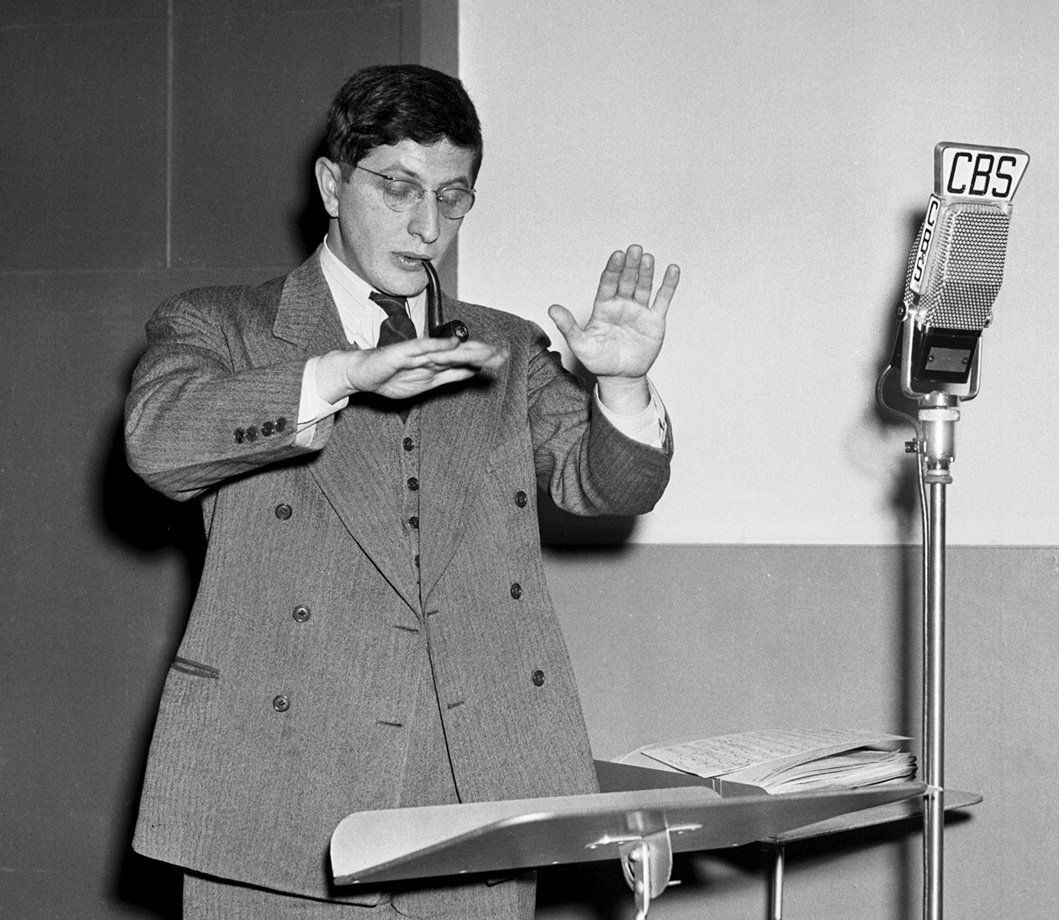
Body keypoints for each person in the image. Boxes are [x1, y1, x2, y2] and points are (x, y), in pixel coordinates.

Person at [124, 63, 680, 920]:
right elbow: (157, 441)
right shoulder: (220, 325)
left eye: (452, 198)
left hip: (475, 799)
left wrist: (624, 385)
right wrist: (342, 375)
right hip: (271, 799)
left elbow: (610, 486)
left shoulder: (505, 348)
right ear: (331, 184)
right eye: (398, 189)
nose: (428, 227)